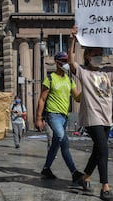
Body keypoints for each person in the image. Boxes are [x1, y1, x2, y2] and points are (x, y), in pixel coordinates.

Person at [68, 25, 113, 201]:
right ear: (87, 56)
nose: (98, 56)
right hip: (92, 117)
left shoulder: (107, 73)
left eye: (100, 54)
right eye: (95, 54)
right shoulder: (83, 71)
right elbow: (71, 61)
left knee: (98, 151)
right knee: (103, 149)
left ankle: (84, 177)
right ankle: (105, 188)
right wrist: (72, 39)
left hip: (106, 117)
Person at [35, 51, 85, 189]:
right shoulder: (50, 78)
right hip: (52, 114)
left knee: (56, 144)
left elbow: (77, 98)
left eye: (67, 61)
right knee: (63, 139)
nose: (66, 64)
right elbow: (42, 99)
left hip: (64, 116)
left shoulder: (69, 80)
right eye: (63, 61)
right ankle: (74, 173)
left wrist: (86, 88)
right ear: (57, 62)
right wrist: (39, 118)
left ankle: (46, 169)